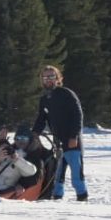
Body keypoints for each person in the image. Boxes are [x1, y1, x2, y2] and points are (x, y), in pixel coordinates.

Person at [31, 64, 88, 201]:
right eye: (45, 77)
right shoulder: (45, 99)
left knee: (76, 176)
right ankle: (57, 201)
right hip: (58, 144)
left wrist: (73, 136)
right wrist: (34, 134)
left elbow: (78, 115)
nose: (48, 79)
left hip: (73, 142)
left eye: (51, 76)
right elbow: (41, 119)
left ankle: (82, 200)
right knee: (57, 176)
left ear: (57, 78)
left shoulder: (66, 93)